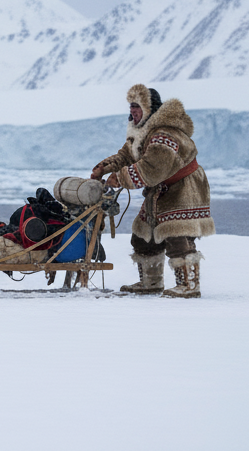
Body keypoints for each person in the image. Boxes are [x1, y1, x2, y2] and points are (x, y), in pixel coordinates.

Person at [91, 84, 214, 298]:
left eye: (137, 106)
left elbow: (153, 167)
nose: (132, 111)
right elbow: (127, 156)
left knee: (177, 234)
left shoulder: (165, 134)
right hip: (160, 190)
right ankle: (151, 282)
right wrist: (104, 167)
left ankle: (189, 284)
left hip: (184, 189)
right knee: (143, 235)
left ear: (149, 109)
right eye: (131, 106)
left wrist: (119, 178)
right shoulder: (142, 132)